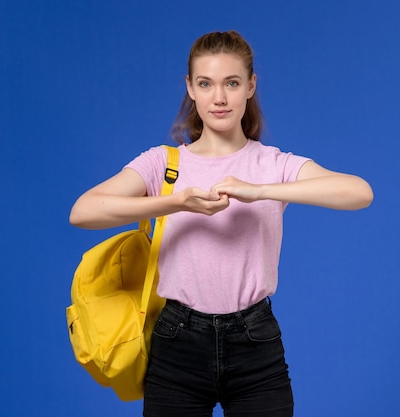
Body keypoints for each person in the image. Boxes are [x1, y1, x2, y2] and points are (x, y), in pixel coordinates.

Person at [70, 30, 373, 417]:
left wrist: (262, 191)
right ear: (190, 89)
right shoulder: (163, 163)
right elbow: (82, 211)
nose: (219, 97)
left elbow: (359, 192)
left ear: (250, 86)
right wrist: (176, 201)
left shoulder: (273, 164)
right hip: (177, 339)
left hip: (256, 340)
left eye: (231, 83)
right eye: (205, 84)